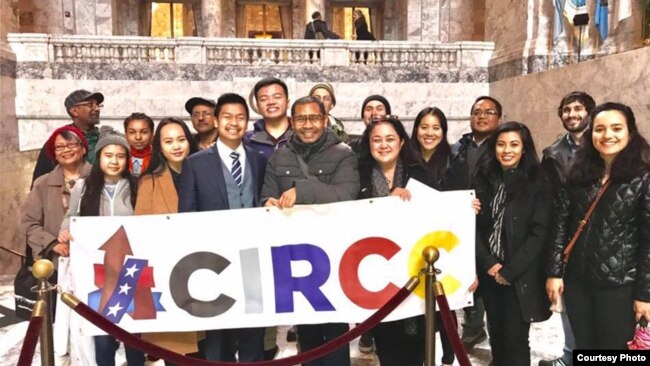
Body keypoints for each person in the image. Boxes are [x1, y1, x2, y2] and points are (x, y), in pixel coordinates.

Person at [261, 96, 359, 366]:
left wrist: (301, 191)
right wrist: (267, 203)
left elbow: (346, 195)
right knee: (306, 331)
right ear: (292, 122)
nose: (308, 125)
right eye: (301, 119)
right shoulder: (280, 156)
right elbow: (266, 195)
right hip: (296, 255)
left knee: (335, 330)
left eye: (314, 118)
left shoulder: (343, 154)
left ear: (325, 120)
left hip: (334, 254)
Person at [546, 102, 650, 350]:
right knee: (585, 348)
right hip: (578, 282)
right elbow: (561, 225)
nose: (607, 136)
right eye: (599, 129)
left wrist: (645, 295)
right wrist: (555, 272)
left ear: (630, 133)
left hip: (620, 286)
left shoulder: (643, 177)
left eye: (616, 128)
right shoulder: (579, 173)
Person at [178, 93, 267, 362]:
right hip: (213, 260)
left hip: (253, 258)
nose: (234, 123)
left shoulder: (259, 160)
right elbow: (187, 213)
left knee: (254, 330)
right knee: (218, 335)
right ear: (216, 121)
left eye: (240, 117)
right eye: (227, 117)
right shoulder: (195, 163)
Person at [58, 126, 143, 366]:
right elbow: (72, 216)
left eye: (120, 156)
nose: (114, 161)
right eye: (108, 155)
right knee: (103, 335)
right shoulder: (83, 188)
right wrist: (65, 232)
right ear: (98, 158)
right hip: (99, 272)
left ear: (127, 159)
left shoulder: (138, 186)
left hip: (131, 269)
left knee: (134, 333)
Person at [474, 121, 552, 366]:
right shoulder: (483, 178)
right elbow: (473, 227)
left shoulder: (538, 181)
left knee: (516, 339)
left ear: (524, 148)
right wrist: (489, 263)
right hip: (490, 271)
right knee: (496, 334)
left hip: (520, 274)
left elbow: (540, 233)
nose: (506, 150)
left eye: (514, 144)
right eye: (501, 144)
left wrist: (510, 271)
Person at [356, 115, 430, 365]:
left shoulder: (420, 174)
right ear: (368, 144)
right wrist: (387, 201)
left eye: (390, 139)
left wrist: (464, 207)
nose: (383, 145)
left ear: (401, 143)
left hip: (416, 277)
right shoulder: (359, 177)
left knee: (417, 349)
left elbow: (440, 215)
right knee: (387, 347)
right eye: (377, 140)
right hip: (376, 277)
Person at [135, 117, 199, 364]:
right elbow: (142, 227)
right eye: (168, 141)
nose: (176, 146)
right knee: (176, 349)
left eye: (181, 139)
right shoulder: (149, 180)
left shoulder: (204, 171)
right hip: (169, 272)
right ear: (159, 147)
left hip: (204, 266)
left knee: (205, 348)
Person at [538, 91, 595, 366]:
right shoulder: (552, 154)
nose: (572, 114)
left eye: (578, 109)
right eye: (566, 110)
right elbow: (548, 201)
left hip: (603, 237)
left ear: (590, 112)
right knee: (569, 305)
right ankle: (570, 355)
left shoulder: (606, 144)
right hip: (568, 236)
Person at [447, 95, 503, 348]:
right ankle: (473, 327)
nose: (481, 116)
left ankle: (497, 335)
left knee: (491, 276)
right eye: (476, 112)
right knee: (467, 274)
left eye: (488, 112)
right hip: (461, 220)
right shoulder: (457, 148)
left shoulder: (504, 146)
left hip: (492, 222)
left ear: (499, 118)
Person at [409, 107, 458, 366]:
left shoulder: (455, 162)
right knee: (417, 311)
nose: (429, 133)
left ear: (444, 131)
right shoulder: (405, 161)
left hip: (444, 245)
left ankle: (449, 353)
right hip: (412, 247)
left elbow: (464, 197)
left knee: (445, 304)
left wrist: (468, 205)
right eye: (424, 127)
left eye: (436, 128)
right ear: (416, 129)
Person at [20, 126, 91, 263]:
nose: (66, 150)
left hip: (93, 257)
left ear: (83, 149)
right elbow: (29, 223)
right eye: (59, 147)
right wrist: (53, 244)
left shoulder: (99, 179)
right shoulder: (42, 184)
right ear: (54, 154)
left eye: (71, 144)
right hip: (56, 262)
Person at [32, 89, 103, 184]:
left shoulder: (104, 138)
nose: (97, 109)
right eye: (90, 105)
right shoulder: (57, 141)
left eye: (98, 105)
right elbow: (39, 182)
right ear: (74, 111)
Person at [244, 77, 293, 163]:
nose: (271, 102)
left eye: (277, 97)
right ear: (258, 107)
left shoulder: (302, 136)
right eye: (264, 99)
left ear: (287, 102)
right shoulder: (246, 140)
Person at [124, 112, 154, 177]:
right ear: (126, 135)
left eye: (144, 132)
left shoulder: (158, 159)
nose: (138, 137)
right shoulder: (121, 157)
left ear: (152, 134)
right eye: (132, 132)